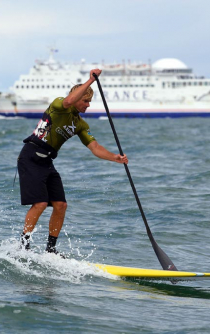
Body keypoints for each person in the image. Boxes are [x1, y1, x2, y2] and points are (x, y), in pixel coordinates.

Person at [17, 69, 128, 255]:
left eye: (90, 102)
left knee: (61, 204)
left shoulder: (80, 124)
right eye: (86, 101)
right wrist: (91, 80)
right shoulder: (59, 104)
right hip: (31, 156)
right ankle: (23, 246)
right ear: (76, 98)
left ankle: (50, 250)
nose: (88, 105)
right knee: (41, 203)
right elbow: (69, 101)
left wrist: (115, 157)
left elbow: (95, 147)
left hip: (47, 162)